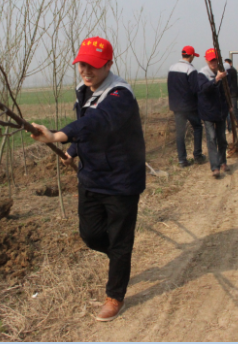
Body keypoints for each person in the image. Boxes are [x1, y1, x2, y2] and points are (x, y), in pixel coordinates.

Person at [31, 36, 145, 322]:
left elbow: (97, 122)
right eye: (81, 64)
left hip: (120, 180)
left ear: (108, 65)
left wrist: (58, 135)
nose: (85, 70)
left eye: (92, 65)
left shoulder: (120, 95)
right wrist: (72, 150)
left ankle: (115, 295)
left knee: (120, 240)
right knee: (91, 235)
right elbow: (88, 132)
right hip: (92, 176)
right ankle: (120, 258)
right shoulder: (83, 90)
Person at [167, 46, 207, 167]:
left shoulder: (171, 68)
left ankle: (182, 160)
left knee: (180, 133)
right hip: (189, 106)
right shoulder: (191, 69)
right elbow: (195, 89)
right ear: (191, 56)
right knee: (198, 127)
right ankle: (198, 156)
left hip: (176, 106)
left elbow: (170, 87)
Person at [197, 48, 229, 178]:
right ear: (206, 60)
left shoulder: (224, 72)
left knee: (222, 139)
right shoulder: (202, 74)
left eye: (215, 60)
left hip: (221, 112)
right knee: (211, 138)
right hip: (208, 112)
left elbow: (227, 91)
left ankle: (223, 162)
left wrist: (229, 106)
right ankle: (215, 167)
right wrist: (216, 79)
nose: (213, 63)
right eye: (211, 61)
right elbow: (204, 89)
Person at [224, 58, 238, 132]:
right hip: (228, 93)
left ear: (230, 64)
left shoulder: (232, 70)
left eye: (227, 64)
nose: (226, 65)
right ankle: (230, 127)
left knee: (234, 109)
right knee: (228, 111)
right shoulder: (227, 71)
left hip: (233, 93)